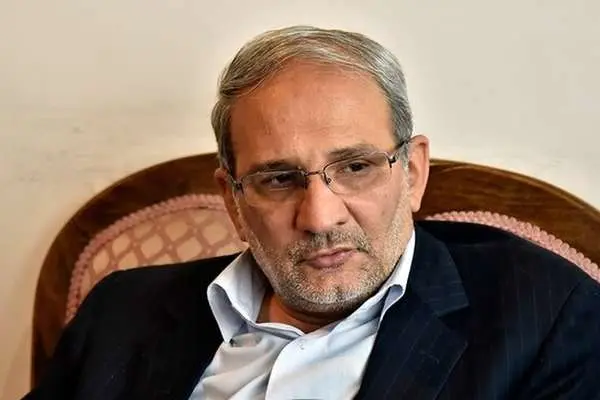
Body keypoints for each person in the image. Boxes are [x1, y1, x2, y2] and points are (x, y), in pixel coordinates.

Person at [25, 25, 600, 400]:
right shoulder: (121, 313)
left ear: (413, 173)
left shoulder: (544, 316)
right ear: (232, 199)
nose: (321, 219)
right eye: (279, 179)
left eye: (356, 167)